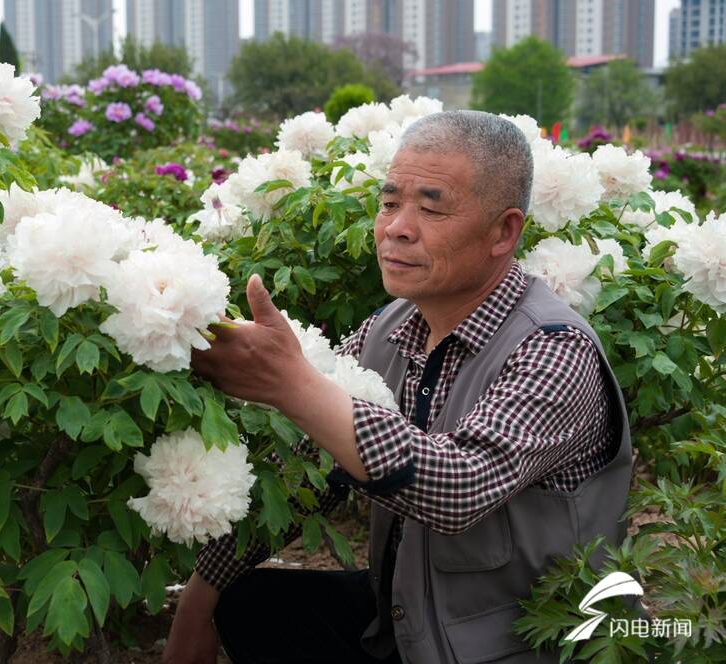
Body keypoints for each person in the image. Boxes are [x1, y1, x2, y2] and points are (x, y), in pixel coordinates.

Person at [162, 110, 632, 664]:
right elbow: (310, 472)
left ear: (504, 231)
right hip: (407, 623)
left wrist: (291, 384)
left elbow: (456, 489)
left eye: (431, 207)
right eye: (389, 204)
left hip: (512, 643)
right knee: (252, 603)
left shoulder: (554, 348)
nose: (395, 228)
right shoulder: (393, 326)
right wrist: (199, 595)